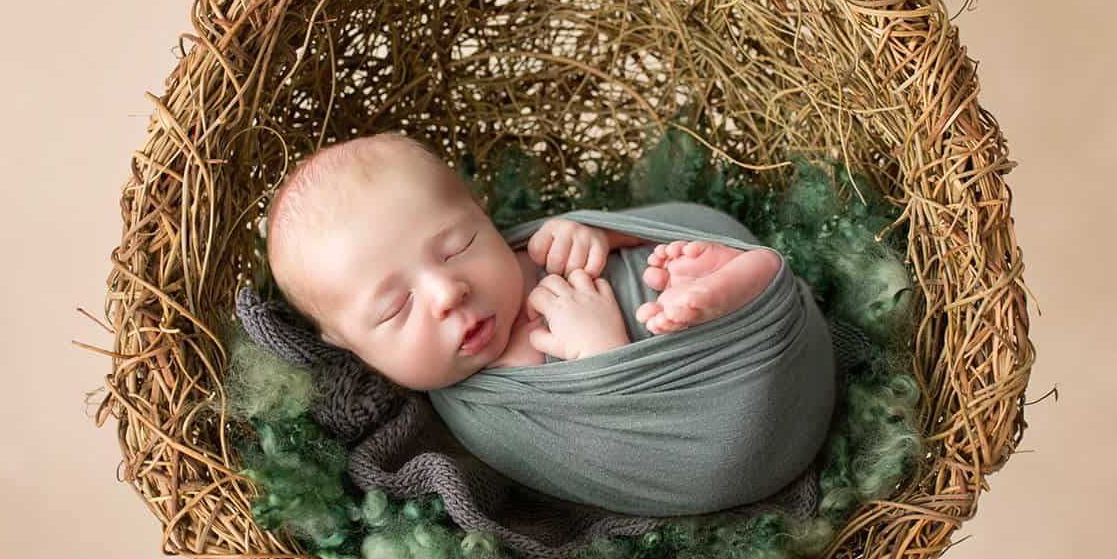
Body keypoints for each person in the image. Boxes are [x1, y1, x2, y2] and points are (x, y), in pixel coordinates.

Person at [264, 131, 783, 392]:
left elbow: (653, 229)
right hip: (709, 398)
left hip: (745, 323)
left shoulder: (532, 253)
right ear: (349, 346)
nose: (448, 292)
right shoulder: (480, 417)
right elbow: (604, 465)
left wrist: (595, 231)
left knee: (683, 252)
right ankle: (740, 294)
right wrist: (600, 360)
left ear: (481, 214)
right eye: (396, 308)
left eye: (457, 247)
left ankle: (735, 280)